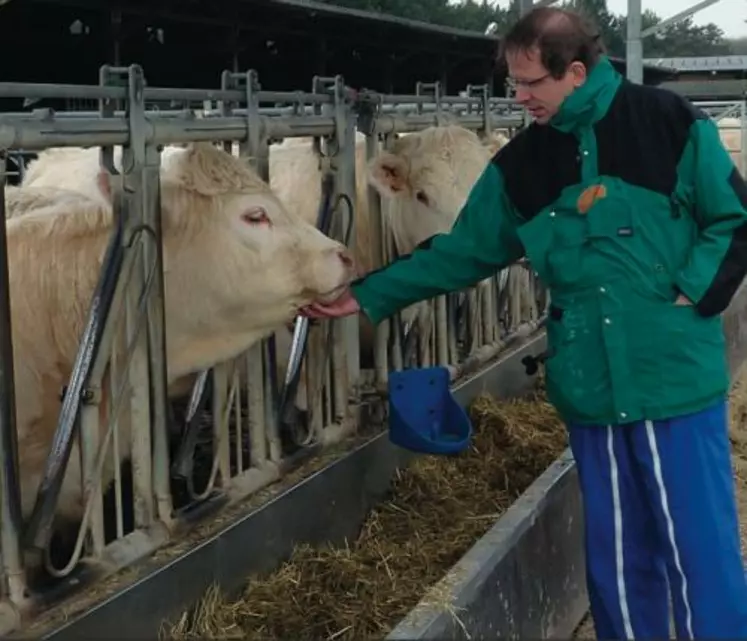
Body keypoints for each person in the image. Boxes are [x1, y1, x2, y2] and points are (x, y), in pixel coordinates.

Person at [303, 5, 747, 641]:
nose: (519, 97)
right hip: (591, 387)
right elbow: (464, 251)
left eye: (530, 83)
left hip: (673, 377)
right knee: (619, 560)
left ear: (574, 71)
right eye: (513, 83)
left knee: (699, 553)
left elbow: (734, 216)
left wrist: (690, 296)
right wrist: (368, 295)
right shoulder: (523, 165)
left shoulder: (667, 122)